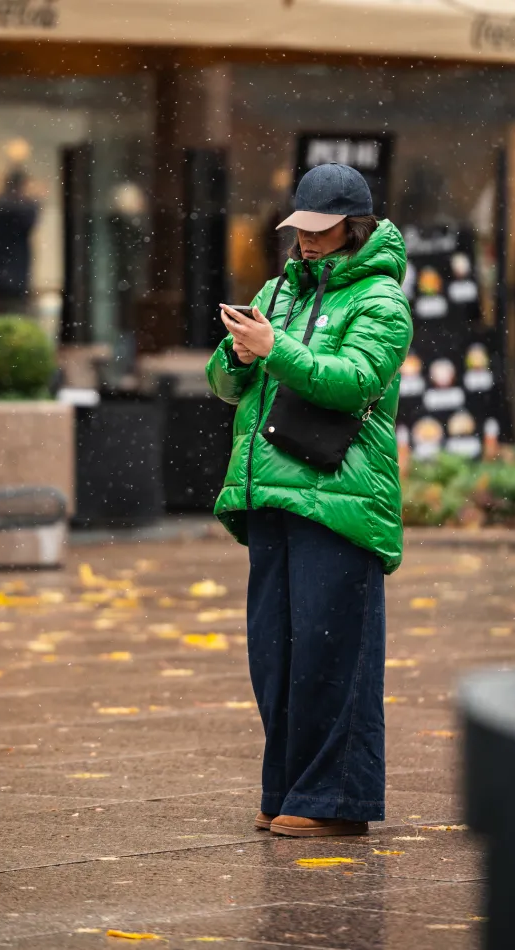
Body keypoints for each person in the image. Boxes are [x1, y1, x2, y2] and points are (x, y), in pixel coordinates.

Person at [206, 163, 412, 838]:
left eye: (323, 231)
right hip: (270, 490)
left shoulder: (382, 301)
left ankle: (335, 800)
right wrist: (241, 354)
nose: (309, 242)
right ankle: (288, 788)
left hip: (340, 493)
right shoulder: (279, 289)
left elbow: (354, 381)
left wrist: (277, 349)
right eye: (302, 229)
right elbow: (225, 383)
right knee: (275, 653)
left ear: (356, 228)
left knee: (332, 653)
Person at [0, 168, 40, 315]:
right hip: (14, 276)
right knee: (14, 317)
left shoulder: (0, 206)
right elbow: (29, 217)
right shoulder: (12, 207)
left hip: (1, 275)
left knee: (3, 318)